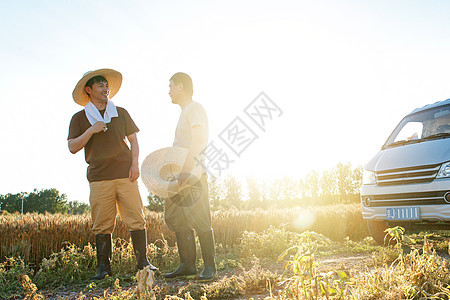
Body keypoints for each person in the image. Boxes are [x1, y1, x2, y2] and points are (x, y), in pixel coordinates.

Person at [68, 69, 156, 280]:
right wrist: (91, 130)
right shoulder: (79, 118)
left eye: (107, 85)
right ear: (88, 90)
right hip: (99, 177)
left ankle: (143, 263)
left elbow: (134, 141)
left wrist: (135, 164)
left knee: (136, 218)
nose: (105, 88)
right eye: (100, 85)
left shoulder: (121, 112)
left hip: (126, 174)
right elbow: (72, 147)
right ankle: (104, 269)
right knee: (102, 223)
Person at [164, 72, 216, 281]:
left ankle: (209, 267)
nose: (168, 91)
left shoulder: (194, 108)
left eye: (171, 86)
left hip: (192, 173)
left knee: (200, 217)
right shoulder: (185, 111)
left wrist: (185, 170)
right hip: (180, 174)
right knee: (177, 217)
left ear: (181, 87)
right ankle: (187, 265)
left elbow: (197, 141)